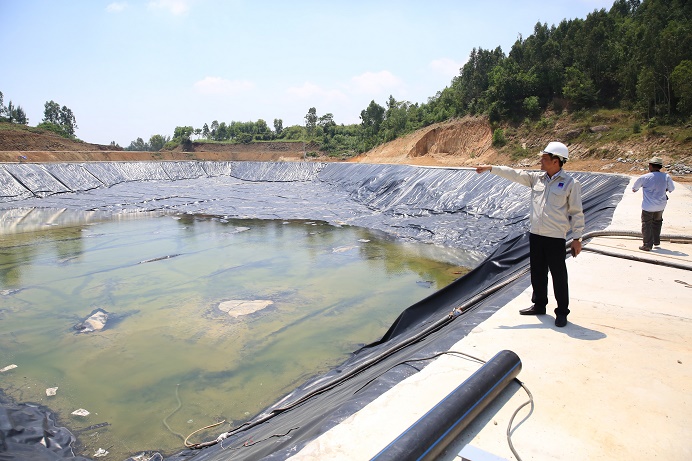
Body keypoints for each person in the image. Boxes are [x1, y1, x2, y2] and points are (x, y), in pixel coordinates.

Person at [476, 141, 584, 328]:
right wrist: (491, 168)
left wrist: (577, 238)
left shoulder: (570, 184)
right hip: (536, 234)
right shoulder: (537, 179)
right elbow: (514, 174)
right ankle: (539, 304)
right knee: (538, 272)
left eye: (544, 158)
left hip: (555, 237)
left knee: (558, 275)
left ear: (556, 161)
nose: (540, 162)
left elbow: (576, 212)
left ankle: (561, 312)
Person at [632, 156, 675, 251]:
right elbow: (671, 189)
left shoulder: (644, 177)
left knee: (647, 224)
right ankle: (656, 241)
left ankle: (647, 244)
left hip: (648, 206)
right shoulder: (666, 176)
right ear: (660, 167)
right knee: (657, 222)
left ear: (650, 166)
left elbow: (634, 189)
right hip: (661, 205)